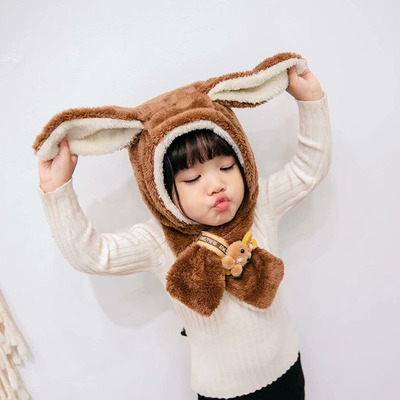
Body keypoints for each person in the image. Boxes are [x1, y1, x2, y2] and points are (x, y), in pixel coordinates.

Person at [37, 59, 332, 399]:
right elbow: (92, 256)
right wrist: (56, 190)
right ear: (161, 189)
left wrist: (310, 100)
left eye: (226, 166)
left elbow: (308, 171)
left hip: (288, 370)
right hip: (222, 393)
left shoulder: (259, 206)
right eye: (192, 179)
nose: (216, 185)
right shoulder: (157, 242)